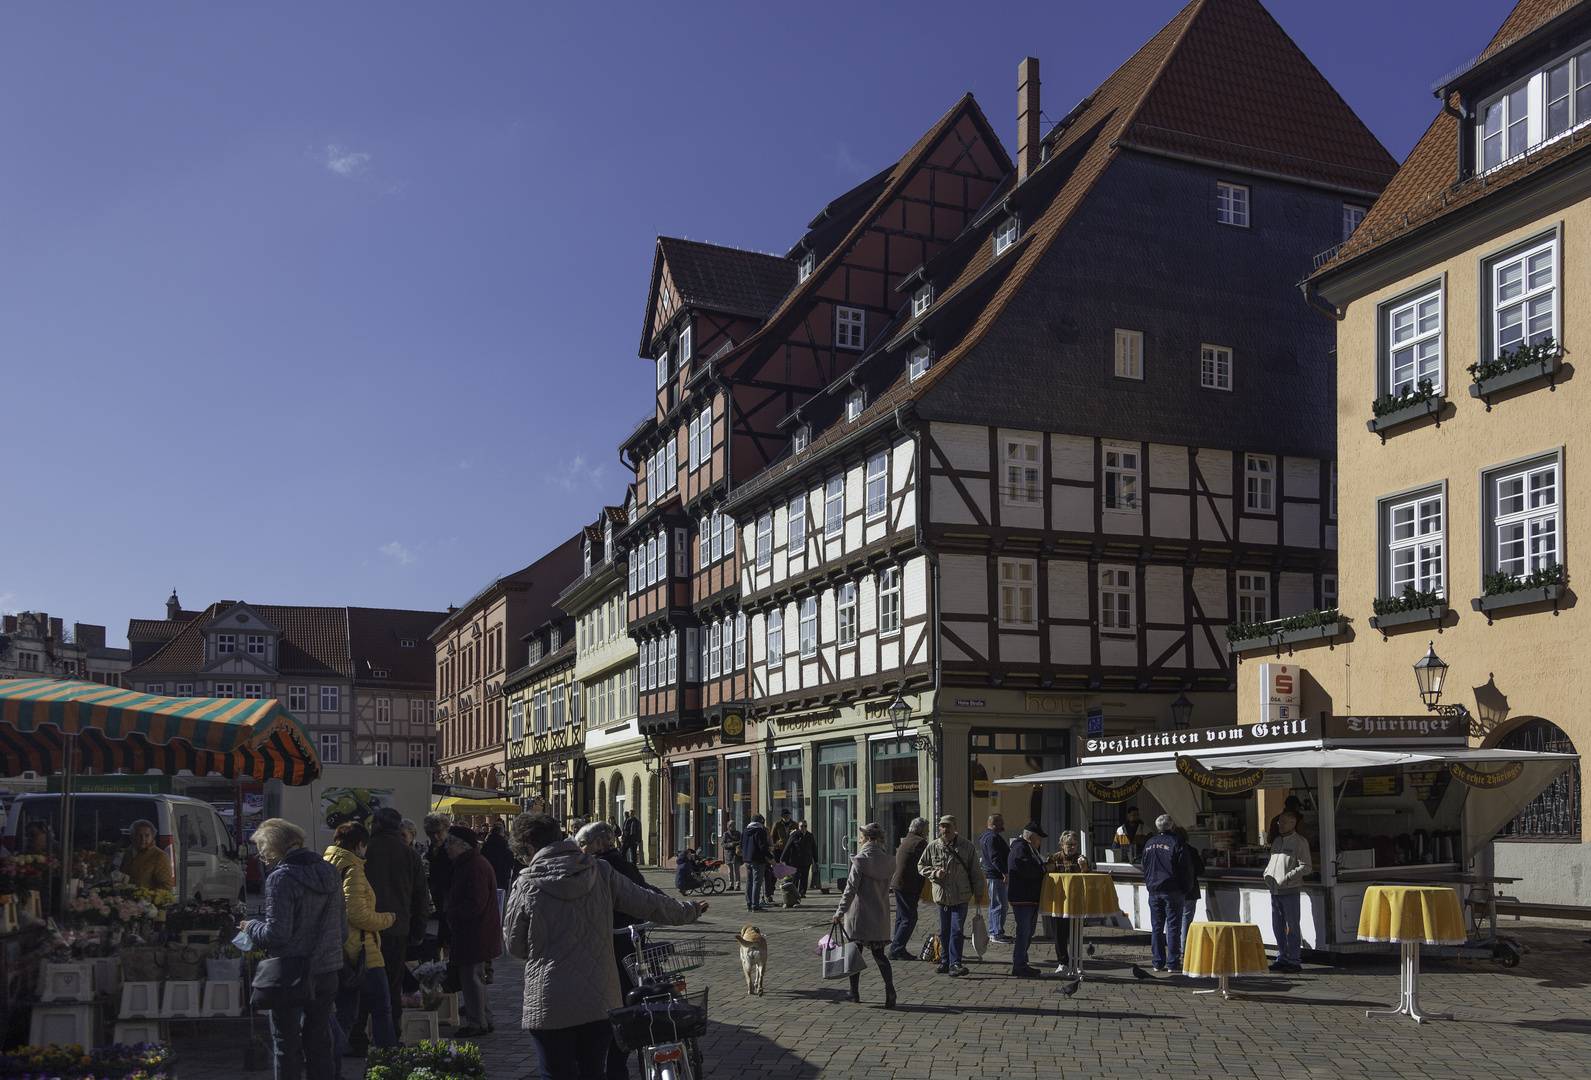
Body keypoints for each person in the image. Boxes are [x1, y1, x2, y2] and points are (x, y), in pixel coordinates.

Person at [504, 812, 706, 1080]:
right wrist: (688, 911)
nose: (523, 861)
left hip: (549, 999)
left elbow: (515, 945)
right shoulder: (600, 871)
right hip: (599, 996)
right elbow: (648, 902)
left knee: (557, 1074)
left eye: (521, 856)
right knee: (593, 1071)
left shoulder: (526, 884)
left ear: (529, 848)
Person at [241, 818, 347, 1080]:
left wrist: (249, 926)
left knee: (286, 1044)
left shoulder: (281, 878)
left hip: (291, 973)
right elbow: (343, 930)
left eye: (263, 849)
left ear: (276, 845)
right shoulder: (331, 872)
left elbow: (277, 935)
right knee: (319, 1041)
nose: (262, 856)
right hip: (327, 970)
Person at [576, 821, 661, 1080]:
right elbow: (647, 893)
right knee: (626, 1000)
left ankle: (612, 1064)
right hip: (629, 945)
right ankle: (616, 1063)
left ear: (598, 843)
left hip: (609, 946)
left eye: (583, 844)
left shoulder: (599, 868)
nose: (581, 850)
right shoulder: (624, 863)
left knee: (611, 1008)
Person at [323, 822, 397, 1059]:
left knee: (346, 1013)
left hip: (340, 949)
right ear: (360, 844)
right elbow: (355, 914)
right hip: (362, 951)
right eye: (365, 846)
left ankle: (325, 1061)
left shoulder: (327, 865)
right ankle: (388, 1062)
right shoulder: (352, 869)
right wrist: (387, 919)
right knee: (382, 1009)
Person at [358, 807, 430, 1042]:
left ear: (376, 824)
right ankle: (391, 1037)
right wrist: (419, 930)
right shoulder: (409, 854)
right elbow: (421, 896)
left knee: (361, 984)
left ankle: (357, 1035)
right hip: (397, 929)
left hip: (364, 928)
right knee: (391, 985)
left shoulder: (364, 850)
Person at [443, 825, 503, 1037]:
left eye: (450, 843)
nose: (446, 847)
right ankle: (485, 1019)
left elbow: (475, 903)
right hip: (475, 931)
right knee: (476, 977)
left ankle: (478, 1023)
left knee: (471, 978)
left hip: (475, 931)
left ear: (462, 845)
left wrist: (452, 913)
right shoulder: (469, 863)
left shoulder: (474, 865)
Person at [831, 822, 897, 1007]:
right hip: (880, 914)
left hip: (859, 916)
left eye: (861, 838)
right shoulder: (887, 861)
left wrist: (839, 912)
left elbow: (850, 890)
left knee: (854, 955)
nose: (859, 841)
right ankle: (890, 990)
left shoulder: (860, 861)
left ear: (868, 839)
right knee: (880, 956)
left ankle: (854, 992)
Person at [918, 815, 985, 977]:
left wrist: (979, 892)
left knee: (956, 930)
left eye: (948, 826)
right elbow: (921, 866)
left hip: (961, 895)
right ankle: (945, 961)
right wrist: (934, 872)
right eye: (942, 826)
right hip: (942, 896)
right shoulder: (934, 846)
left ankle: (956, 963)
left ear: (955, 827)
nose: (944, 830)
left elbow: (975, 871)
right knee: (944, 931)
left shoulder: (967, 846)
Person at [1142, 814, 1197, 972]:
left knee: (1157, 927)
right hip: (1173, 890)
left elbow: (1144, 865)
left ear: (1157, 827)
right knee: (1173, 927)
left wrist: (1150, 884)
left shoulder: (1149, 843)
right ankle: (1173, 962)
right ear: (1172, 827)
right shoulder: (1177, 843)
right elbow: (1186, 869)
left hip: (1154, 890)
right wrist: (1186, 889)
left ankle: (1158, 962)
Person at [1265, 810, 1311, 973]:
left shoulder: (1300, 842)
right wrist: (1267, 873)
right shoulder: (1277, 841)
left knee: (1292, 926)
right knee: (1278, 927)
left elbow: (1306, 866)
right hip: (1275, 890)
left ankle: (1294, 960)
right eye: (1279, 822)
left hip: (1290, 890)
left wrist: (1288, 877)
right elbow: (1273, 861)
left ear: (1293, 824)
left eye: (1283, 822)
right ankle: (1282, 957)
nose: (1280, 825)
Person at [1005, 821, 1048, 977]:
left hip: (1029, 897)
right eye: (1039, 838)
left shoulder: (1027, 848)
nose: (1040, 841)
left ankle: (1023, 962)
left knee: (1028, 932)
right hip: (1023, 897)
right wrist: (1044, 868)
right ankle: (1019, 965)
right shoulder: (1020, 848)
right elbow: (1025, 870)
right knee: (1023, 933)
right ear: (1030, 837)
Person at [1046, 830, 1090, 973]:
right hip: (1059, 900)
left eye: (1075, 845)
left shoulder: (1080, 858)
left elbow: (1087, 876)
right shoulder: (1054, 858)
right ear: (1061, 845)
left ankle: (1076, 961)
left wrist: (1084, 868)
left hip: (1075, 901)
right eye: (1069, 844)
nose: (1072, 847)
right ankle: (1062, 961)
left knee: (1075, 932)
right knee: (1060, 932)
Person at [887, 817, 929, 960]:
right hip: (907, 885)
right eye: (927, 828)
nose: (928, 831)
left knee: (901, 917)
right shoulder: (918, 842)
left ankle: (897, 947)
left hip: (900, 883)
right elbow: (930, 859)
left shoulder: (908, 839)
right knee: (909, 918)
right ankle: (897, 948)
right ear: (922, 830)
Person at [978, 814, 1011, 943]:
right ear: (993, 823)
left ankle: (995, 931)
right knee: (999, 905)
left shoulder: (986, 835)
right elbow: (995, 857)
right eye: (1000, 822)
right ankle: (996, 933)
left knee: (997, 904)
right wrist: (1004, 872)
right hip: (995, 875)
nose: (1003, 824)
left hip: (993, 875)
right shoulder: (992, 837)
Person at [423, 813, 454, 949]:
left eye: (438, 832)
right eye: (430, 833)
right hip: (440, 903)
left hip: (450, 903)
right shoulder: (431, 850)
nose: (435, 837)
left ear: (446, 830)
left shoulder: (451, 850)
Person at [119, 819, 174, 891]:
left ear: (152, 837)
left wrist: (148, 896)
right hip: (126, 899)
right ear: (132, 837)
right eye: (139, 835)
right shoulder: (128, 853)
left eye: (147, 835)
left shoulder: (160, 856)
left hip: (147, 900)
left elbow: (165, 885)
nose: (143, 839)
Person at [1173, 825, 1206, 947]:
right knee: (1186, 919)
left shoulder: (1170, 849)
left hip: (1174, 890)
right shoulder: (1191, 850)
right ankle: (1184, 947)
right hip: (1190, 889)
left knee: (1172, 920)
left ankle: (1173, 947)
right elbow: (1200, 870)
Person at [741, 813, 771, 912]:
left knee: (749, 882)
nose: (763, 824)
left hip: (747, 859)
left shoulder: (745, 830)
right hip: (758, 860)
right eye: (763, 822)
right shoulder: (760, 831)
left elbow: (741, 845)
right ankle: (755, 905)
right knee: (757, 882)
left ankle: (749, 904)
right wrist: (771, 858)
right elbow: (763, 847)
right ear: (760, 822)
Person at [784, 821, 818, 898]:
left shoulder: (810, 835)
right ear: (798, 827)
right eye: (801, 826)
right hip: (796, 860)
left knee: (804, 877)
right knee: (795, 876)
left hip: (807, 860)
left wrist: (816, 860)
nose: (803, 828)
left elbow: (814, 848)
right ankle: (794, 891)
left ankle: (802, 892)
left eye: (805, 826)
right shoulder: (794, 835)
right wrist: (782, 858)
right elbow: (788, 847)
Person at [483, 822, 516, 894]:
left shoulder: (487, 843)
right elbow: (509, 856)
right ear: (500, 833)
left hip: (489, 871)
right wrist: (512, 864)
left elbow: (483, 855)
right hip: (502, 872)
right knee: (502, 892)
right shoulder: (504, 843)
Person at [720, 821, 743, 888]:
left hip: (736, 854)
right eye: (731, 825)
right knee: (730, 871)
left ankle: (738, 884)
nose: (732, 826)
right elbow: (722, 844)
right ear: (728, 826)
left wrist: (734, 843)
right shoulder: (726, 834)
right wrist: (729, 845)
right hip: (728, 855)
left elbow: (741, 841)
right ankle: (731, 885)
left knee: (737, 870)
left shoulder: (738, 833)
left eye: (733, 825)